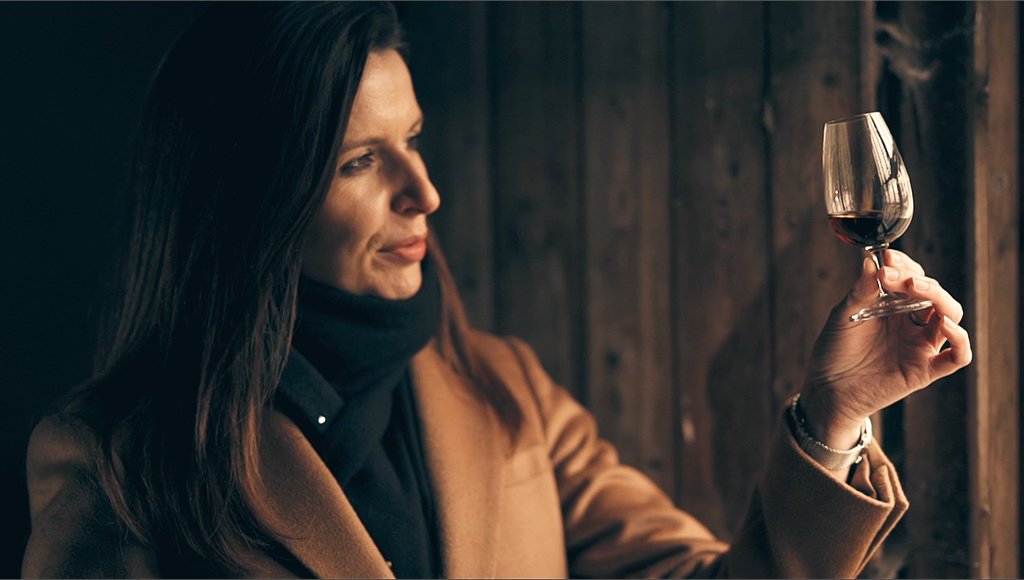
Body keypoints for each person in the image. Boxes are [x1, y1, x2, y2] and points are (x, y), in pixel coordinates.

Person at [21, 2, 972, 578]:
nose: (423, 191)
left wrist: (833, 412)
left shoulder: (506, 392)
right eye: (360, 160)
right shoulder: (116, 463)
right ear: (245, 203)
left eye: (415, 140)